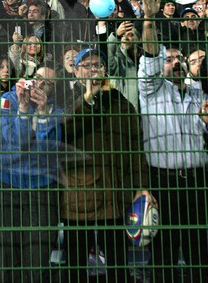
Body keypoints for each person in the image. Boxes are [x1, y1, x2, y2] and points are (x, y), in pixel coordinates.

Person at [137, 0, 208, 282]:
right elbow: (149, 54)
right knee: (164, 260)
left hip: (199, 185)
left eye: (178, 59)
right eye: (168, 59)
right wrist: (149, 21)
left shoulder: (198, 91)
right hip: (164, 186)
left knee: (205, 258)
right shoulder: (150, 90)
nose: (174, 62)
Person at [60, 48, 150, 282]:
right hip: (78, 197)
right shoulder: (66, 99)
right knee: (76, 267)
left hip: (115, 197)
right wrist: (87, 99)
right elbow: (63, 131)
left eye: (98, 65)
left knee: (118, 264)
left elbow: (135, 151)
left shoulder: (122, 104)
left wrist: (142, 187)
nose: (94, 69)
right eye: (87, 65)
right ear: (77, 72)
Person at [0, 66, 63, 283]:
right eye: (38, 79)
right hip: (6, 186)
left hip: (41, 191)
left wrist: (41, 115)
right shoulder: (8, 100)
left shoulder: (56, 111)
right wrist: (23, 109)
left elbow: (45, 153)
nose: (40, 85)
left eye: (47, 84)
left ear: (52, 91)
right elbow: (15, 145)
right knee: (4, 260)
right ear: (29, 79)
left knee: (36, 262)